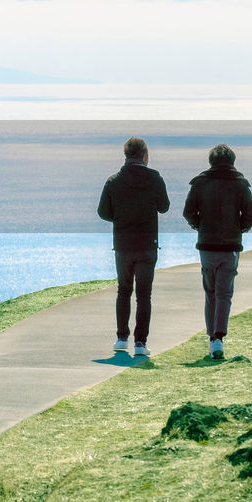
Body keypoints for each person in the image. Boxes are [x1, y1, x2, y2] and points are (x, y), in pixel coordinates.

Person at [183, 144, 252, 360]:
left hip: (207, 245)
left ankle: (212, 338)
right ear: (232, 161)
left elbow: (188, 212)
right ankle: (218, 338)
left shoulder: (199, 183)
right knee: (224, 293)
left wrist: (200, 226)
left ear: (211, 161)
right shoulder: (240, 184)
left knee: (210, 292)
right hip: (230, 246)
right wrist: (239, 228)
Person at [97, 137, 170, 358]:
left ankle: (121, 338)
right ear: (146, 156)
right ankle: (140, 342)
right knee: (144, 294)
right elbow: (164, 207)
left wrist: (120, 218)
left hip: (123, 244)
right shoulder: (154, 178)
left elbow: (103, 212)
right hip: (147, 244)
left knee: (124, 290)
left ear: (126, 156)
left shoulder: (114, 181)